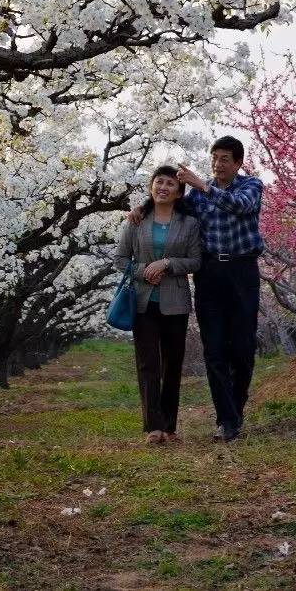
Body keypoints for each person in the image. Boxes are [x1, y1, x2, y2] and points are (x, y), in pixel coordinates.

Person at [130, 136, 264, 442]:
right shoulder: (197, 200)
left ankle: (235, 410)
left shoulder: (251, 186)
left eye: (225, 159)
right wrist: (142, 207)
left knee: (242, 349)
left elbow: (240, 207)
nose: (217, 164)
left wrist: (203, 185)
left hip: (242, 271)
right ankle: (226, 421)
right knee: (214, 349)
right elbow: (169, 202)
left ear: (239, 163)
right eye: (214, 157)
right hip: (210, 273)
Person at [114, 165, 202, 444]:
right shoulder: (136, 220)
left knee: (172, 364)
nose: (163, 187)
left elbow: (196, 261)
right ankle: (153, 426)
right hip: (143, 302)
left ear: (179, 192)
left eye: (170, 184)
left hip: (175, 302)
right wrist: (144, 271)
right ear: (151, 187)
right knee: (147, 363)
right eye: (158, 182)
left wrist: (167, 264)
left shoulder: (189, 224)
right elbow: (120, 259)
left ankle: (170, 426)